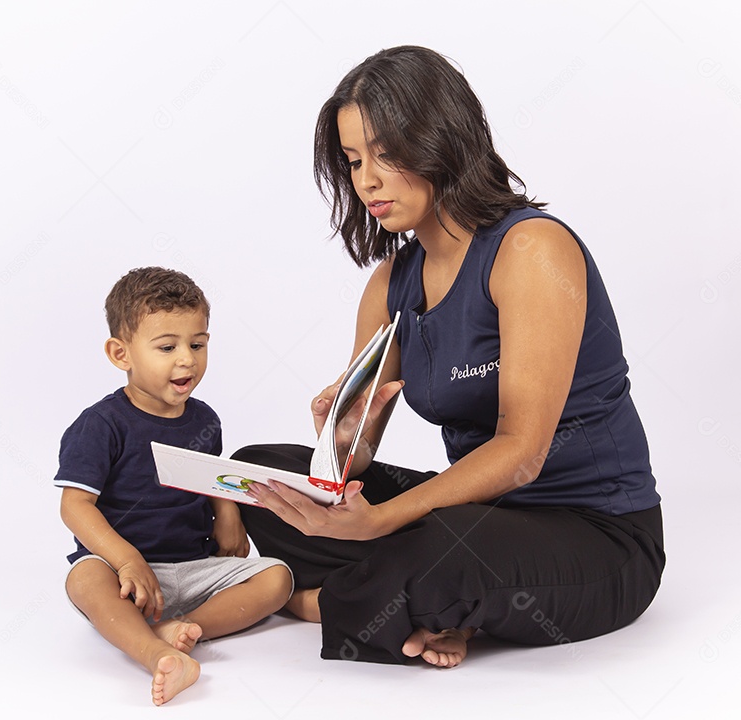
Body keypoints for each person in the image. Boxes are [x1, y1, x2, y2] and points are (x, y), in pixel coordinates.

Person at [236, 46, 665, 667]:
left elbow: (521, 454)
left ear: (441, 138)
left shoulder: (530, 250)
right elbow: (354, 463)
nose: (367, 181)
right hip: (477, 515)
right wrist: (344, 439)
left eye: (385, 154)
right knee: (263, 476)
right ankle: (433, 607)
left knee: (433, 552)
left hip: (596, 536)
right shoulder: (392, 284)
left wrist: (380, 522)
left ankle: (310, 600)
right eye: (354, 161)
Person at [55, 267, 293, 705]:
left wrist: (228, 512)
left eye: (197, 344)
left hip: (195, 566)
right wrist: (126, 560)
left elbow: (211, 477)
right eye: (167, 347)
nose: (187, 359)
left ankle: (185, 628)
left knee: (277, 577)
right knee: (84, 579)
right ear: (120, 353)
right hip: (124, 574)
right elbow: (75, 506)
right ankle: (155, 652)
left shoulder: (204, 419)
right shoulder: (101, 424)